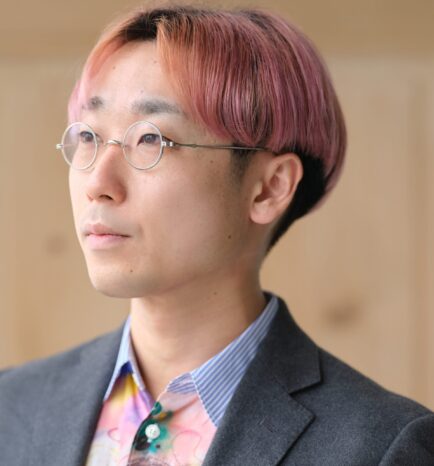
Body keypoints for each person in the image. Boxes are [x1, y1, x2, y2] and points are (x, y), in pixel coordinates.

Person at [1, 4, 433, 465]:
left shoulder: (381, 447)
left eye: (151, 139)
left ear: (269, 188)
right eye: (88, 136)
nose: (98, 184)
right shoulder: (12, 407)